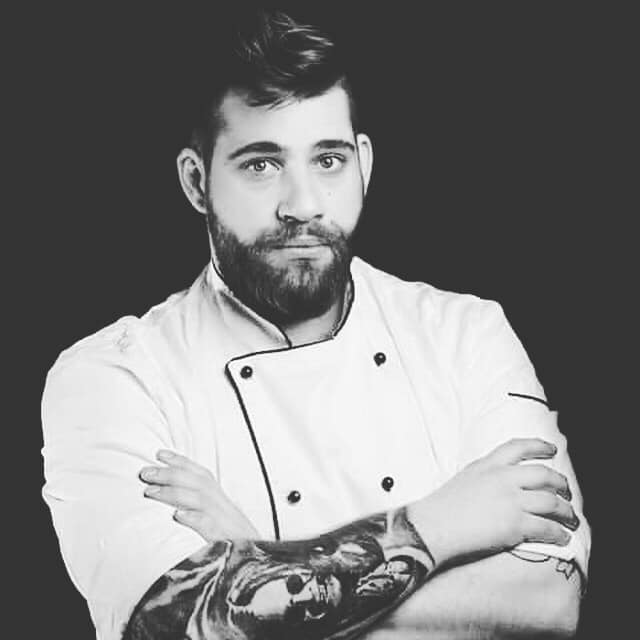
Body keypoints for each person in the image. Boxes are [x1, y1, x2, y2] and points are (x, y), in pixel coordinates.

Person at [41, 8, 591, 639]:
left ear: (364, 165)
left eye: (328, 160)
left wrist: (259, 566)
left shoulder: (467, 335)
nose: (302, 204)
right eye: (261, 164)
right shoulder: (113, 376)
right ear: (197, 182)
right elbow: (168, 623)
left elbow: (551, 599)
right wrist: (437, 526)